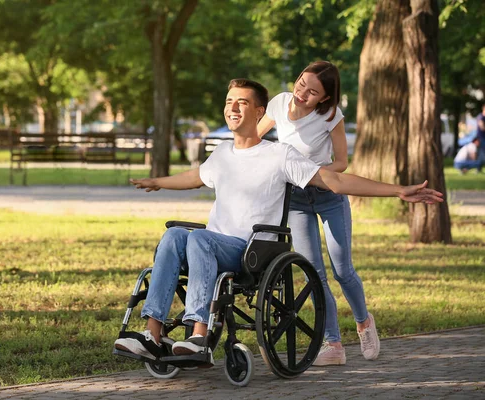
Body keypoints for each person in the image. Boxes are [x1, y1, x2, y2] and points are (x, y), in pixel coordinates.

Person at [113, 78, 444, 366]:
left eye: (242, 103)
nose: (233, 108)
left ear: (260, 112)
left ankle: (199, 336)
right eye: (229, 102)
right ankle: (152, 335)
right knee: (173, 236)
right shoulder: (223, 152)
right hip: (212, 245)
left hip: (250, 249)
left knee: (199, 239)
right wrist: (159, 181)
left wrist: (399, 190)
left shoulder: (280, 155)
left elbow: (337, 182)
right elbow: (195, 177)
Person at [257, 61, 384, 366]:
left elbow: (341, 162)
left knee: (343, 270)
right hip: (297, 200)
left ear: (324, 98)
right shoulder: (278, 104)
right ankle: (334, 344)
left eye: (313, 92)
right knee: (315, 274)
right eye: (301, 84)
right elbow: (255, 140)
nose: (302, 93)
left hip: (328, 195)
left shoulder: (330, 115)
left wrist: (311, 172)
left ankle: (364, 322)